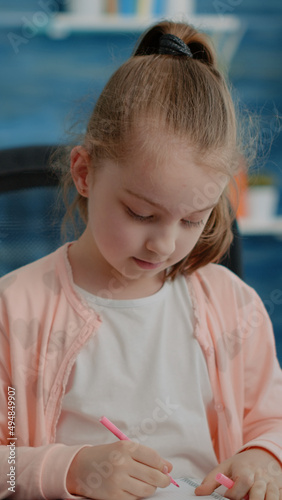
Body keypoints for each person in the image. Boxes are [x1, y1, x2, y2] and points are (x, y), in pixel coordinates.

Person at [0, 19, 282, 500]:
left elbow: (271, 421)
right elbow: (5, 468)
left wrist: (264, 457)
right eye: (141, 213)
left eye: (193, 220)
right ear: (85, 173)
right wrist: (70, 469)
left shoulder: (236, 308)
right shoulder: (16, 310)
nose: (164, 245)